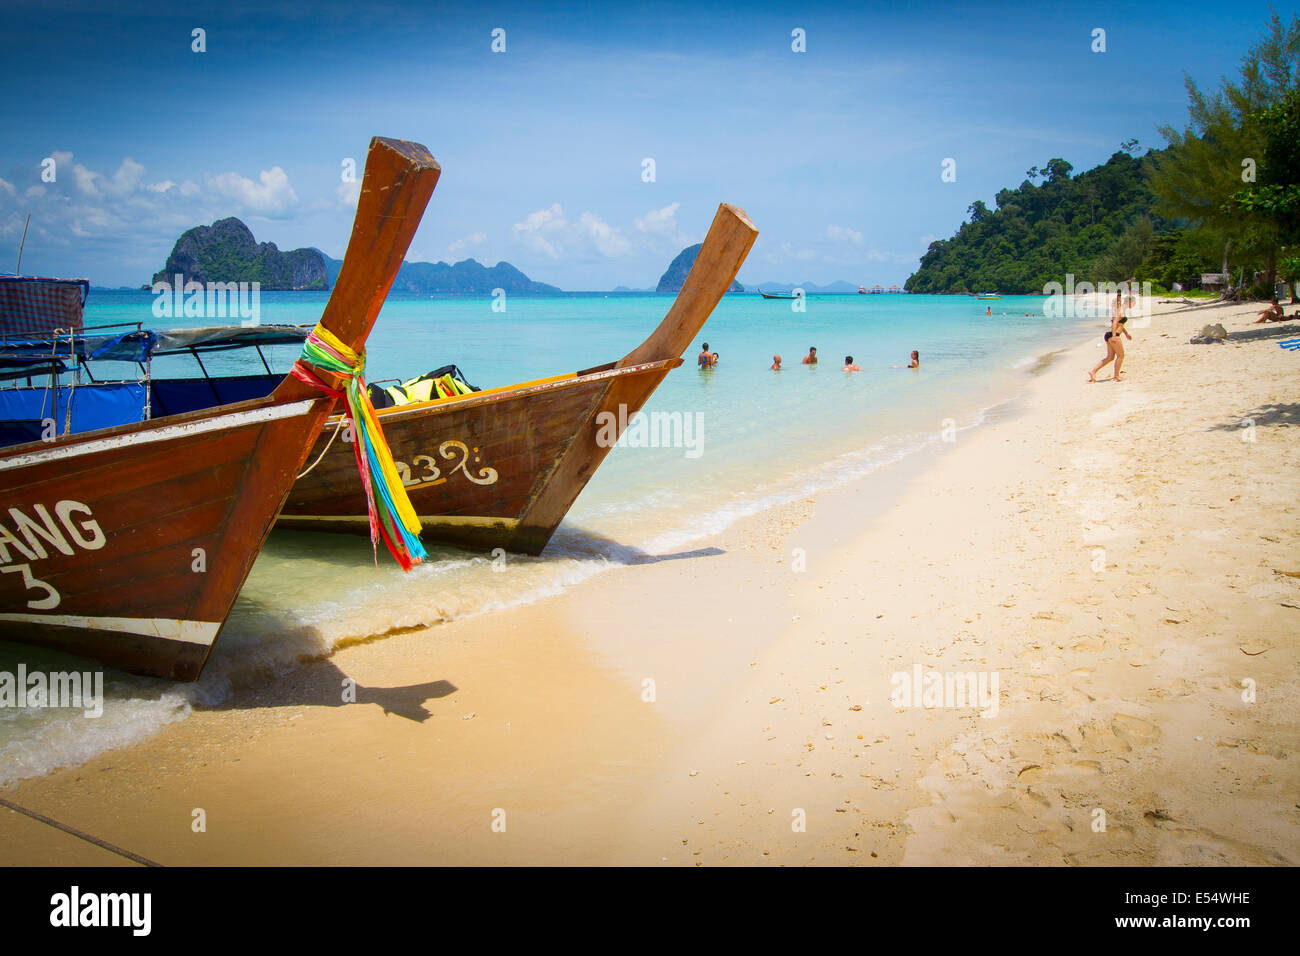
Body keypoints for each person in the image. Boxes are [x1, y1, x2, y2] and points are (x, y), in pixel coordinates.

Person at [1088, 292, 1131, 382]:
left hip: (1109, 335)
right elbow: (1115, 323)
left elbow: (1120, 324)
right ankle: (1116, 376)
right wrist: (1115, 335)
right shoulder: (1119, 310)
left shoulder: (1118, 310)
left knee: (1110, 357)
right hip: (1113, 335)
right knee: (1121, 356)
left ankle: (1093, 371)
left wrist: (1126, 334)